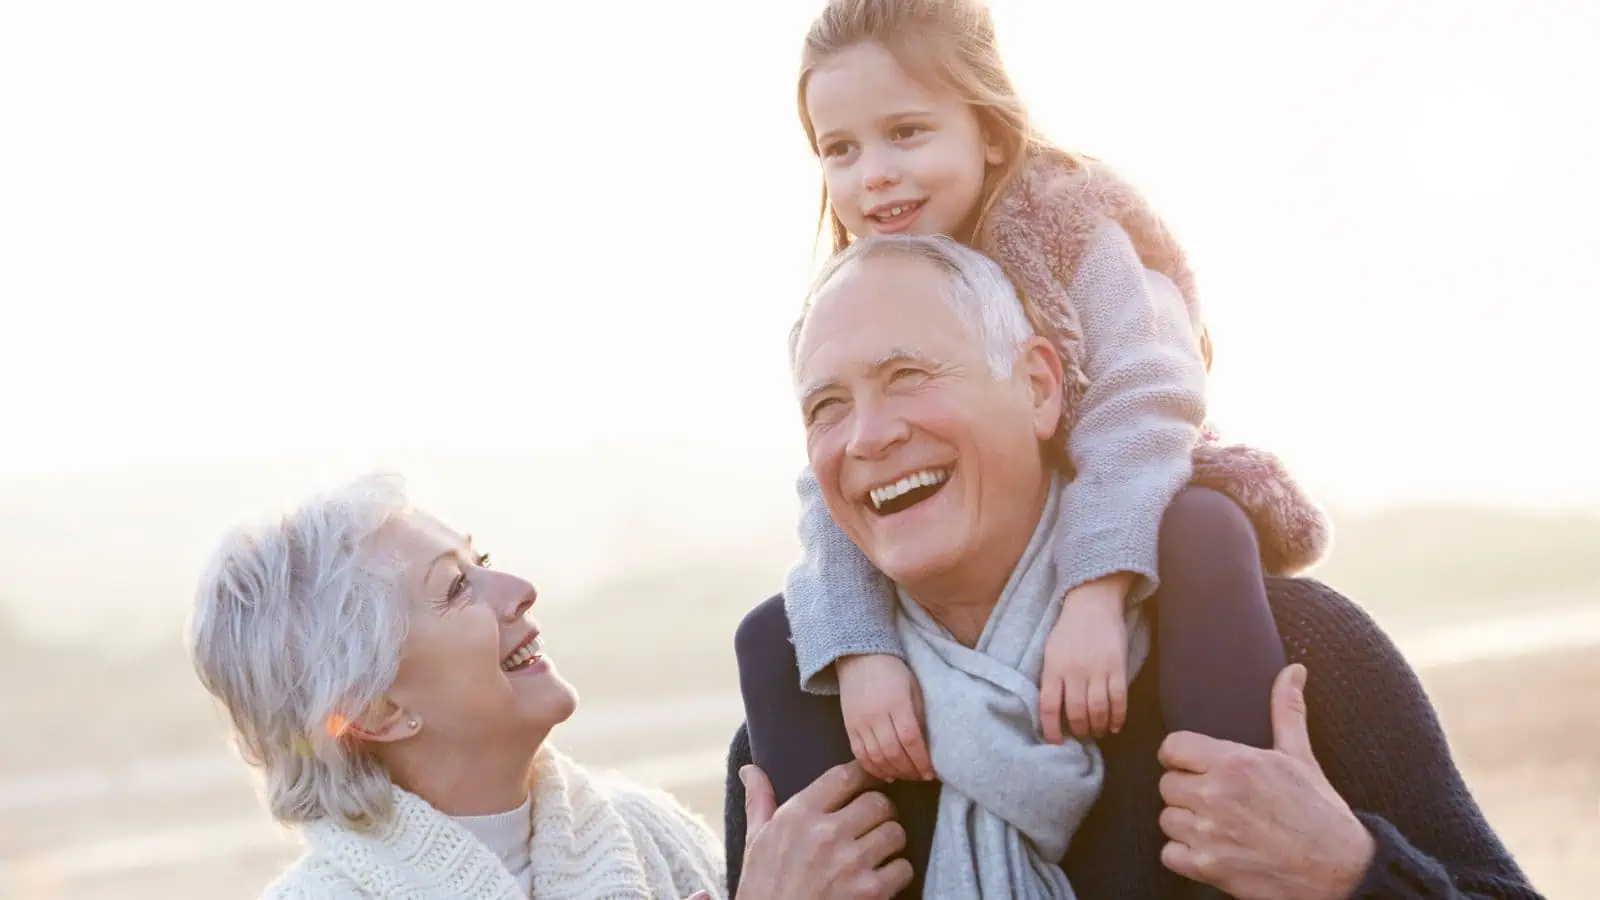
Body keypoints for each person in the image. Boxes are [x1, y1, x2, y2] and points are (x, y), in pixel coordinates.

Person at [725, 235, 1541, 899]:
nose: (866, 436)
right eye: (826, 407)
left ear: (1040, 387)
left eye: (907, 376)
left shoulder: (1293, 648)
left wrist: (1351, 875)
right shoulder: (795, 748)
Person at [777, 0, 1330, 798]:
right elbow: (831, 482)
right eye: (840, 149)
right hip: (975, 542)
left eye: (906, 132)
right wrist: (861, 650)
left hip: (1124, 499)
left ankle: (1229, 808)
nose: (873, 174)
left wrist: (1095, 593)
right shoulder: (847, 301)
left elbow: (1145, 397)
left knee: (1204, 527)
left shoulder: (1071, 227)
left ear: (991, 131)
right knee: (775, 635)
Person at [186, 475, 912, 900]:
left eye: (485, 560)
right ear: (375, 708)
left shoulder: (645, 831)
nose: (520, 591)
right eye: (455, 589)